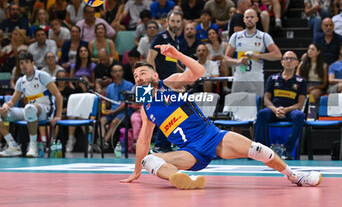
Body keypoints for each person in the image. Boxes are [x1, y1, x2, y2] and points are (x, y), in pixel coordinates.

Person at [120, 45, 322, 189]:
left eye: (143, 72)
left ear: (154, 76)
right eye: (136, 75)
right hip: (190, 151)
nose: (139, 77)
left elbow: (199, 71)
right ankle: (184, 179)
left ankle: (295, 176)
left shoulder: (170, 83)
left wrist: (177, 54)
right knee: (149, 160)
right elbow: (144, 141)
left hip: (213, 137)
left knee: (258, 150)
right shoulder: (146, 108)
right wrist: (137, 170)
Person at [0, 52, 63, 157]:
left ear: (32, 63)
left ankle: (33, 148)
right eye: (21, 63)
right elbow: (13, 101)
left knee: (29, 108)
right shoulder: (21, 81)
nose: (24, 65)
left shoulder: (42, 76)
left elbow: (58, 95)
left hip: (45, 110)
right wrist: (6, 105)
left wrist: (58, 116)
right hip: (29, 111)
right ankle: (13, 146)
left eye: (26, 62)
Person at [255, 51, 306, 160]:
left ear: (297, 63)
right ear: (282, 62)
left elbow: (300, 104)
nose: (289, 61)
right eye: (286, 58)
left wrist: (286, 110)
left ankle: (287, 150)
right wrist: (275, 109)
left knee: (299, 116)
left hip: (290, 111)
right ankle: (261, 150)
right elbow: (266, 99)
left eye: (292, 59)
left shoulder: (301, 81)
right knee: (262, 114)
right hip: (274, 110)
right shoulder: (272, 78)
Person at [147, 10, 183, 153]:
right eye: (173, 21)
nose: (175, 24)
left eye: (178, 21)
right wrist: (155, 80)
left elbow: (173, 63)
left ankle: (165, 145)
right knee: (167, 113)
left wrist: (186, 73)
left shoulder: (176, 41)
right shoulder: (160, 38)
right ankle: (159, 146)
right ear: (167, 22)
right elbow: (150, 58)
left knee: (172, 113)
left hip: (172, 83)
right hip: (161, 83)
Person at [224, 8, 282, 96]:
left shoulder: (264, 36)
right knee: (237, 106)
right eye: (247, 17)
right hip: (239, 77)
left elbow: (278, 55)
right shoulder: (235, 36)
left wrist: (257, 56)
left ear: (256, 19)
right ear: (243, 19)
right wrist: (237, 61)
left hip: (256, 78)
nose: (249, 19)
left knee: (255, 106)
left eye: (252, 17)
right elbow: (226, 59)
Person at [99, 64, 133, 151]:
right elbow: (107, 102)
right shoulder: (109, 87)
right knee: (102, 121)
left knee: (114, 122)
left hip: (124, 112)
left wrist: (112, 112)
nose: (118, 73)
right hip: (112, 111)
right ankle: (102, 140)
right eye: (115, 71)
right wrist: (105, 109)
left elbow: (127, 104)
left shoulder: (129, 85)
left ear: (123, 72)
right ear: (112, 73)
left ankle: (103, 144)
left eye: (120, 71)